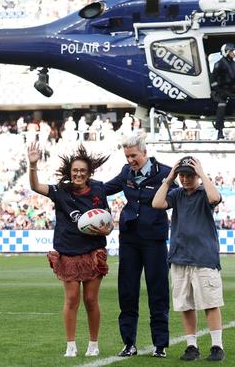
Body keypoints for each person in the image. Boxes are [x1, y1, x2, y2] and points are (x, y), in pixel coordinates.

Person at [27, 141, 113, 358]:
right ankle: (71, 345)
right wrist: (33, 165)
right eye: (75, 170)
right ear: (70, 172)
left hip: (93, 251)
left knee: (91, 300)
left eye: (82, 171)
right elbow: (36, 187)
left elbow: (108, 222)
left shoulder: (99, 189)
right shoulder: (60, 190)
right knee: (72, 299)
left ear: (89, 172)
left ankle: (93, 344)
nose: (78, 174)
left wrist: (105, 229)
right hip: (68, 252)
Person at [105, 132, 174, 358]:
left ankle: (160, 345)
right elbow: (105, 188)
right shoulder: (126, 172)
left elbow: (181, 195)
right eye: (127, 156)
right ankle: (128, 343)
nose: (130, 160)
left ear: (145, 152)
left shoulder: (165, 173)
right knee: (127, 291)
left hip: (154, 240)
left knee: (158, 291)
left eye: (134, 155)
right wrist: (79, 186)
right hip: (129, 239)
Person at [152, 155, 225, 362]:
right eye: (182, 175)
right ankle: (191, 346)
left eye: (189, 175)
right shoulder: (177, 194)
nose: (185, 179)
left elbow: (214, 198)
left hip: (204, 258)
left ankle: (217, 346)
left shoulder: (204, 192)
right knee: (185, 305)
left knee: (210, 303)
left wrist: (201, 173)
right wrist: (169, 177)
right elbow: (157, 203)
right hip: (179, 257)